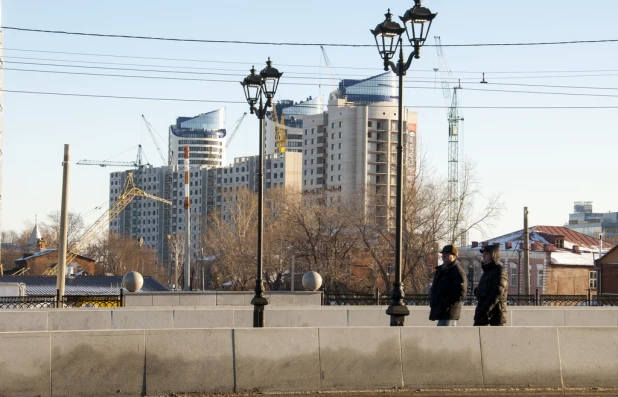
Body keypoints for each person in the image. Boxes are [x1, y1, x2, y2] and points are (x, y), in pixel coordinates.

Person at [429, 244, 467, 326]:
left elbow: (460, 293)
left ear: (454, 256)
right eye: (443, 253)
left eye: (447, 253)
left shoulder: (457, 272)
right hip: (441, 311)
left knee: (442, 337)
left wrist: (445, 305)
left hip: (449, 313)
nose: (443, 255)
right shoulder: (441, 270)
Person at [474, 244, 508, 326]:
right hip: (482, 313)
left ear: (493, 255)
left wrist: (485, 310)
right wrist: (478, 291)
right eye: (483, 253)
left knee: (493, 338)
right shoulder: (486, 272)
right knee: (475, 336)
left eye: (487, 253)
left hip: (495, 315)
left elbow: (497, 293)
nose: (483, 255)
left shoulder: (499, 271)